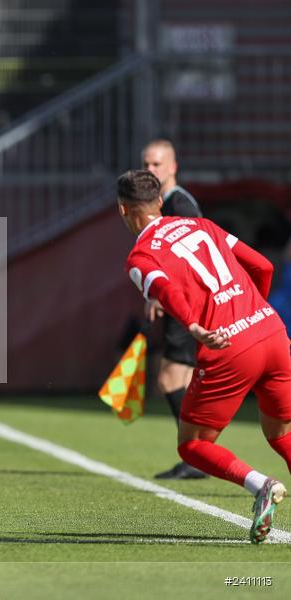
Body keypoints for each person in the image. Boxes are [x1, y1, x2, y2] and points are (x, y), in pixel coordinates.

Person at [118, 169, 290, 544]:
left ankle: (260, 485)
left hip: (229, 348)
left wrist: (193, 325)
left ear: (123, 210)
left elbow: (164, 290)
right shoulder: (203, 225)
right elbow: (264, 266)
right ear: (160, 201)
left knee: (192, 444)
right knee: (280, 433)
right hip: (273, 333)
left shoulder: (140, 256)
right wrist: (255, 312)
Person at [141, 139, 206, 480]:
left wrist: (160, 296)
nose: (150, 170)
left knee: (168, 380)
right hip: (183, 303)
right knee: (181, 382)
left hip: (183, 304)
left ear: (173, 167)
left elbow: (189, 257)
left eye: (156, 164)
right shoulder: (164, 204)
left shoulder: (181, 204)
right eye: (146, 164)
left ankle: (197, 456)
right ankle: (198, 455)